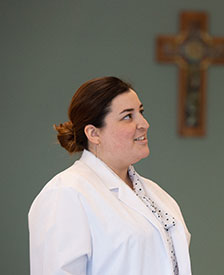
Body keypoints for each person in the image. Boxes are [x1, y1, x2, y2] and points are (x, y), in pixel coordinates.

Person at [29, 76, 192, 275]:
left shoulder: (156, 195)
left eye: (140, 112)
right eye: (127, 116)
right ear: (93, 133)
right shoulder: (66, 193)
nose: (144, 123)